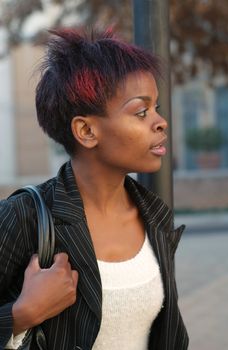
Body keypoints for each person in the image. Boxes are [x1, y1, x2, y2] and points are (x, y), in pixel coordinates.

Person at [0, 27, 188, 350]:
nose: (160, 122)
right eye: (141, 112)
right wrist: (22, 314)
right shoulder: (24, 218)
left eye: (156, 108)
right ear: (86, 130)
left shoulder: (155, 215)